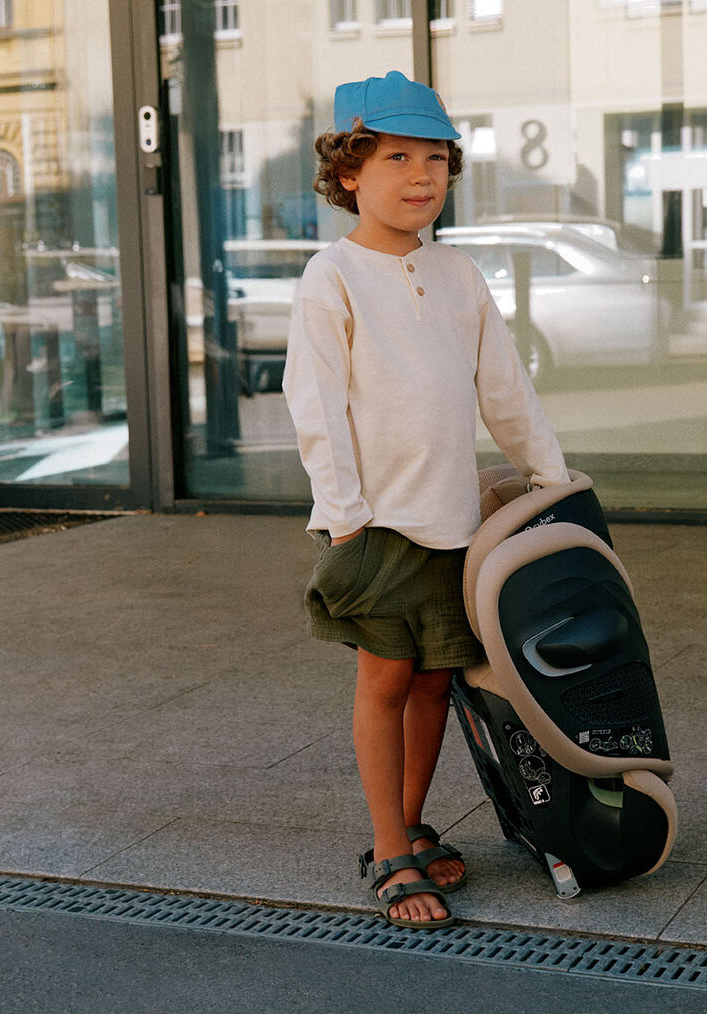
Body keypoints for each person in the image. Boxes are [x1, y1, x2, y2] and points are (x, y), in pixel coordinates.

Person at [284, 70, 569, 930]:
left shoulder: (458, 275)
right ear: (347, 175)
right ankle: (388, 853)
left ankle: (408, 823)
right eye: (397, 157)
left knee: (437, 682)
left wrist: (553, 478)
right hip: (374, 523)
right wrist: (345, 514)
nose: (421, 176)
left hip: (454, 520)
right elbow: (317, 403)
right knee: (385, 678)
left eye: (436, 159)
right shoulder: (332, 277)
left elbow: (505, 388)